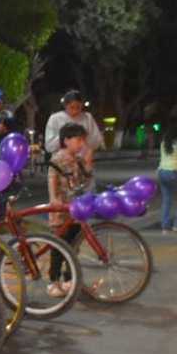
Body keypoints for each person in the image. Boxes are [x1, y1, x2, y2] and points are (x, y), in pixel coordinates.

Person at [46, 123, 92, 297]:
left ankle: (68, 279)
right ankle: (53, 281)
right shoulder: (57, 159)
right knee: (58, 247)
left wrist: (88, 162)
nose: (81, 144)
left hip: (75, 211)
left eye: (83, 140)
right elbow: (52, 179)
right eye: (78, 139)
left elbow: (85, 180)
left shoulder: (78, 160)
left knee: (74, 247)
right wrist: (53, 199)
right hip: (60, 211)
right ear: (66, 140)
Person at [44, 90, 103, 183]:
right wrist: (66, 136)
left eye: (78, 107)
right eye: (72, 107)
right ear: (65, 105)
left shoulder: (87, 117)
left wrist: (84, 140)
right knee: (63, 194)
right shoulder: (55, 118)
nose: (75, 111)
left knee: (86, 193)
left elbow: (97, 140)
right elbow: (49, 146)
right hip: (62, 166)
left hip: (84, 164)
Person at [158, 114, 177, 234]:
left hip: (162, 172)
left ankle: (164, 226)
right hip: (173, 172)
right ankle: (176, 225)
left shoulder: (164, 143)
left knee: (166, 199)